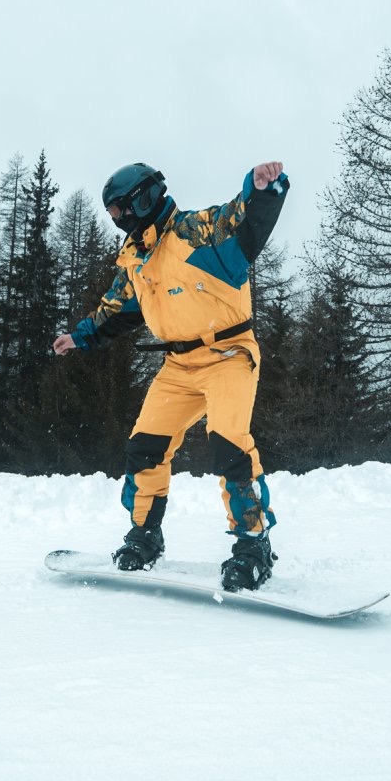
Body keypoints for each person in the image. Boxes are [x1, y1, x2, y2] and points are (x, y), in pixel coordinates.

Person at [53, 161, 289, 591]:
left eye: (120, 212)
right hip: (179, 366)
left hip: (229, 354)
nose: (117, 221)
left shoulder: (194, 232)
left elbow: (241, 218)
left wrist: (262, 190)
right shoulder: (136, 260)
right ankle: (145, 533)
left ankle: (253, 545)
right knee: (144, 446)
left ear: (143, 199)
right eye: (112, 215)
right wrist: (79, 337)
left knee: (229, 444)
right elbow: (116, 308)